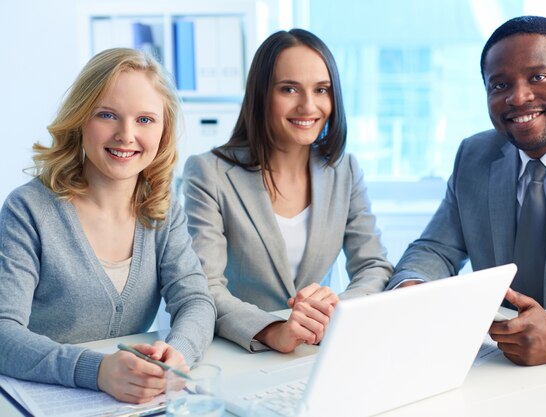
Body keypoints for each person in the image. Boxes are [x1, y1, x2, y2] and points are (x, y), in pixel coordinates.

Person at [386, 15, 546, 367]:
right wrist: (413, 286)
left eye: (538, 77)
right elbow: (435, 248)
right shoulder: (474, 156)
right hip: (494, 367)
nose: (518, 97)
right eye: (499, 85)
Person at [0, 48, 216, 403]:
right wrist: (97, 371)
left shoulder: (162, 210)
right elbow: (4, 333)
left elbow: (195, 300)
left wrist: (178, 354)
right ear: (81, 118)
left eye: (145, 120)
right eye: (107, 115)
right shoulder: (29, 209)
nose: (126, 135)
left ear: (164, 131)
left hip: (128, 403)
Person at [183, 29, 393, 354]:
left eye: (321, 90)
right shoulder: (209, 173)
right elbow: (204, 286)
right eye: (289, 89)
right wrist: (273, 330)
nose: (308, 106)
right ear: (261, 95)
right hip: (241, 351)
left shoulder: (344, 170)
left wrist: (335, 311)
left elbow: (374, 266)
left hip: (317, 347)